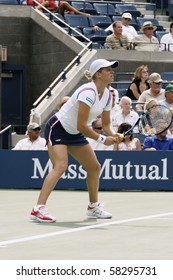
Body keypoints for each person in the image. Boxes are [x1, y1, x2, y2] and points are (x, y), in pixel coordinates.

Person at [30, 58, 120, 223]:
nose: (111, 72)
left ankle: (93, 207)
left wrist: (114, 134)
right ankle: (38, 209)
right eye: (108, 69)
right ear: (98, 74)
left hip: (74, 131)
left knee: (94, 167)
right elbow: (82, 125)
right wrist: (102, 139)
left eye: (111, 69)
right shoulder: (87, 92)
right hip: (58, 127)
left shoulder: (107, 94)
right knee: (61, 166)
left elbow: (106, 124)